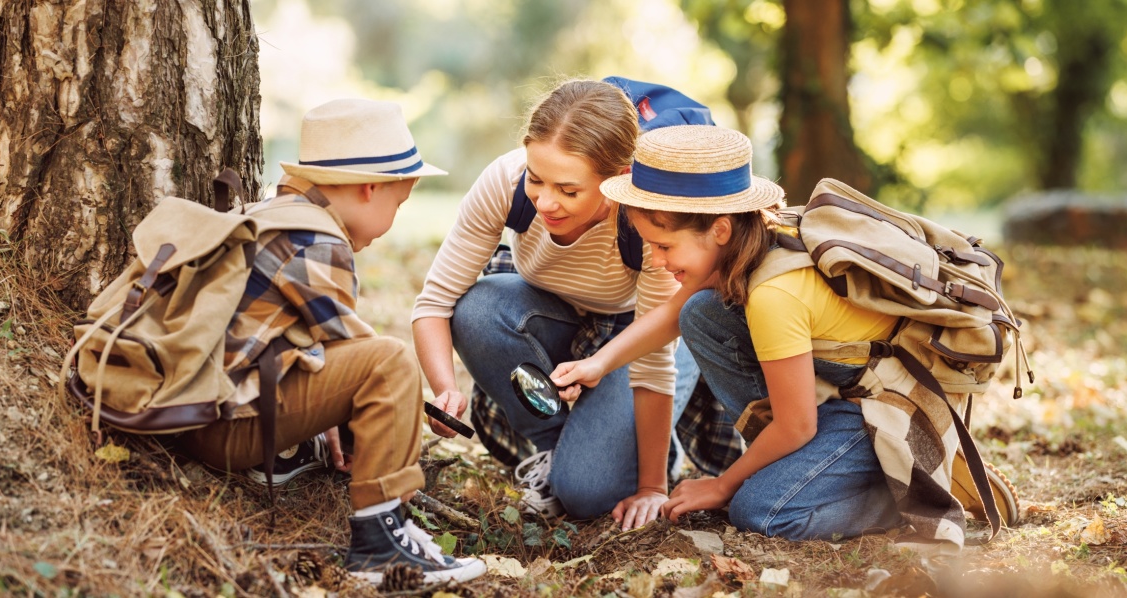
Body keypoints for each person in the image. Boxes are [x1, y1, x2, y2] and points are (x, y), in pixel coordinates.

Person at [175, 99, 486, 584]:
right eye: (398, 204)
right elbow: (361, 358)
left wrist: (327, 420)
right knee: (391, 361)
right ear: (369, 189)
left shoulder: (275, 214)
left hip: (195, 414)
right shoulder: (320, 242)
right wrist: (408, 406)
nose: (395, 219)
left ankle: (287, 456)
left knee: (376, 363)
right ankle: (383, 546)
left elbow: (317, 348)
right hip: (227, 428)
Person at [551, 124, 905, 540]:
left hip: (890, 409)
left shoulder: (774, 295)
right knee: (701, 313)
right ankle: (798, 469)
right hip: (841, 396)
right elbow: (671, 315)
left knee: (760, 512)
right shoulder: (745, 244)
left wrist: (723, 485)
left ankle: (906, 491)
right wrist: (597, 363)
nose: (657, 260)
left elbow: (797, 426)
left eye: (664, 246)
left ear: (719, 229)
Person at [411, 79, 697, 530]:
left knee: (585, 494)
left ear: (618, 180)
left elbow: (655, 361)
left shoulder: (645, 216)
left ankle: (626, 450)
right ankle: (559, 448)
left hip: (638, 336)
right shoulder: (504, 182)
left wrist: (651, 486)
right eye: (536, 178)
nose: (545, 202)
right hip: (554, 317)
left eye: (568, 190)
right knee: (478, 308)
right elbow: (435, 303)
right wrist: (444, 389)